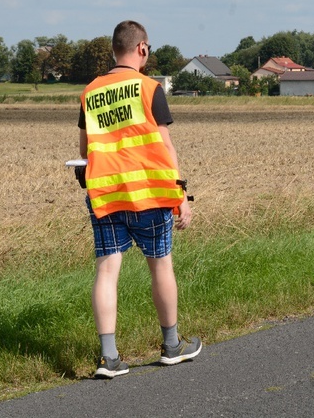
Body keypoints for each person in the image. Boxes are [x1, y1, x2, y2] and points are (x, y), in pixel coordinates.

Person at [77, 20, 201, 378]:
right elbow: (164, 146)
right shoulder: (149, 88)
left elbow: (86, 151)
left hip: (107, 197)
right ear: (142, 48)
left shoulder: (91, 92)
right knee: (160, 265)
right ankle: (172, 347)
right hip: (150, 195)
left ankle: (108, 358)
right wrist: (181, 197)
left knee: (106, 271)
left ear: (114, 49)